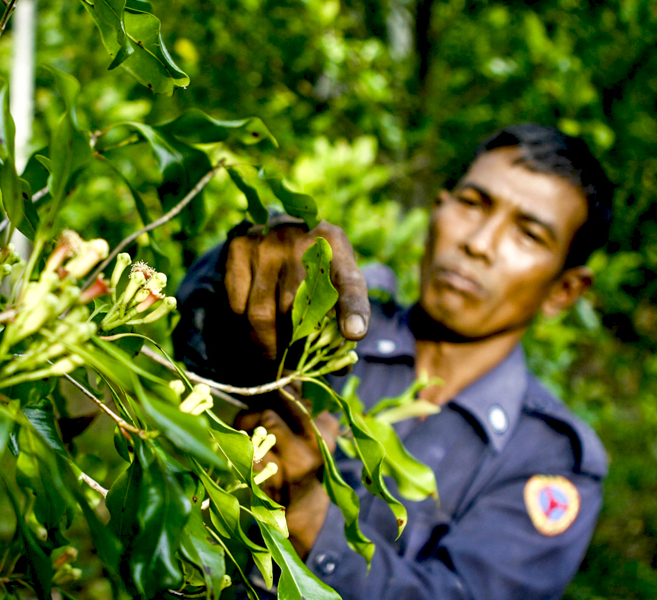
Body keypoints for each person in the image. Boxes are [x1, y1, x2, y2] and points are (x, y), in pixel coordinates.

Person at [172, 123, 613, 599]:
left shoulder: (552, 457)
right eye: (472, 204)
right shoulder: (333, 318)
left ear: (565, 290)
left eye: (528, 234)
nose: (479, 244)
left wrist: (311, 523)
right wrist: (250, 261)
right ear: (438, 208)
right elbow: (201, 334)